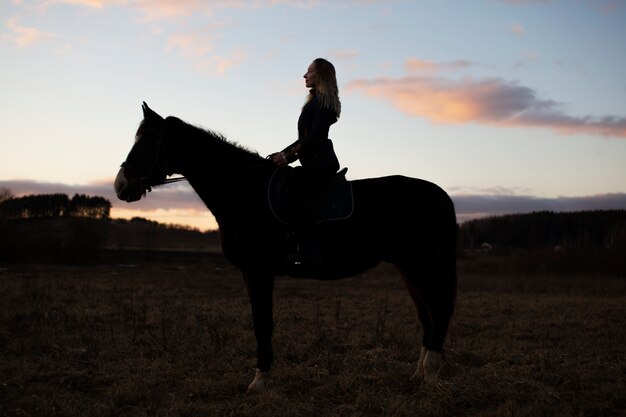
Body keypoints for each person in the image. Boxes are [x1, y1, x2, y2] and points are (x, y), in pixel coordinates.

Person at [269, 58, 342, 226]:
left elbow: (316, 138)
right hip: (313, 164)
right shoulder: (315, 102)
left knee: (293, 192)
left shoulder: (323, 103)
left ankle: (310, 244)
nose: (305, 75)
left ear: (321, 75)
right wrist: (282, 154)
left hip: (321, 165)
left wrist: (287, 157)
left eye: (310, 71)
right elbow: (304, 140)